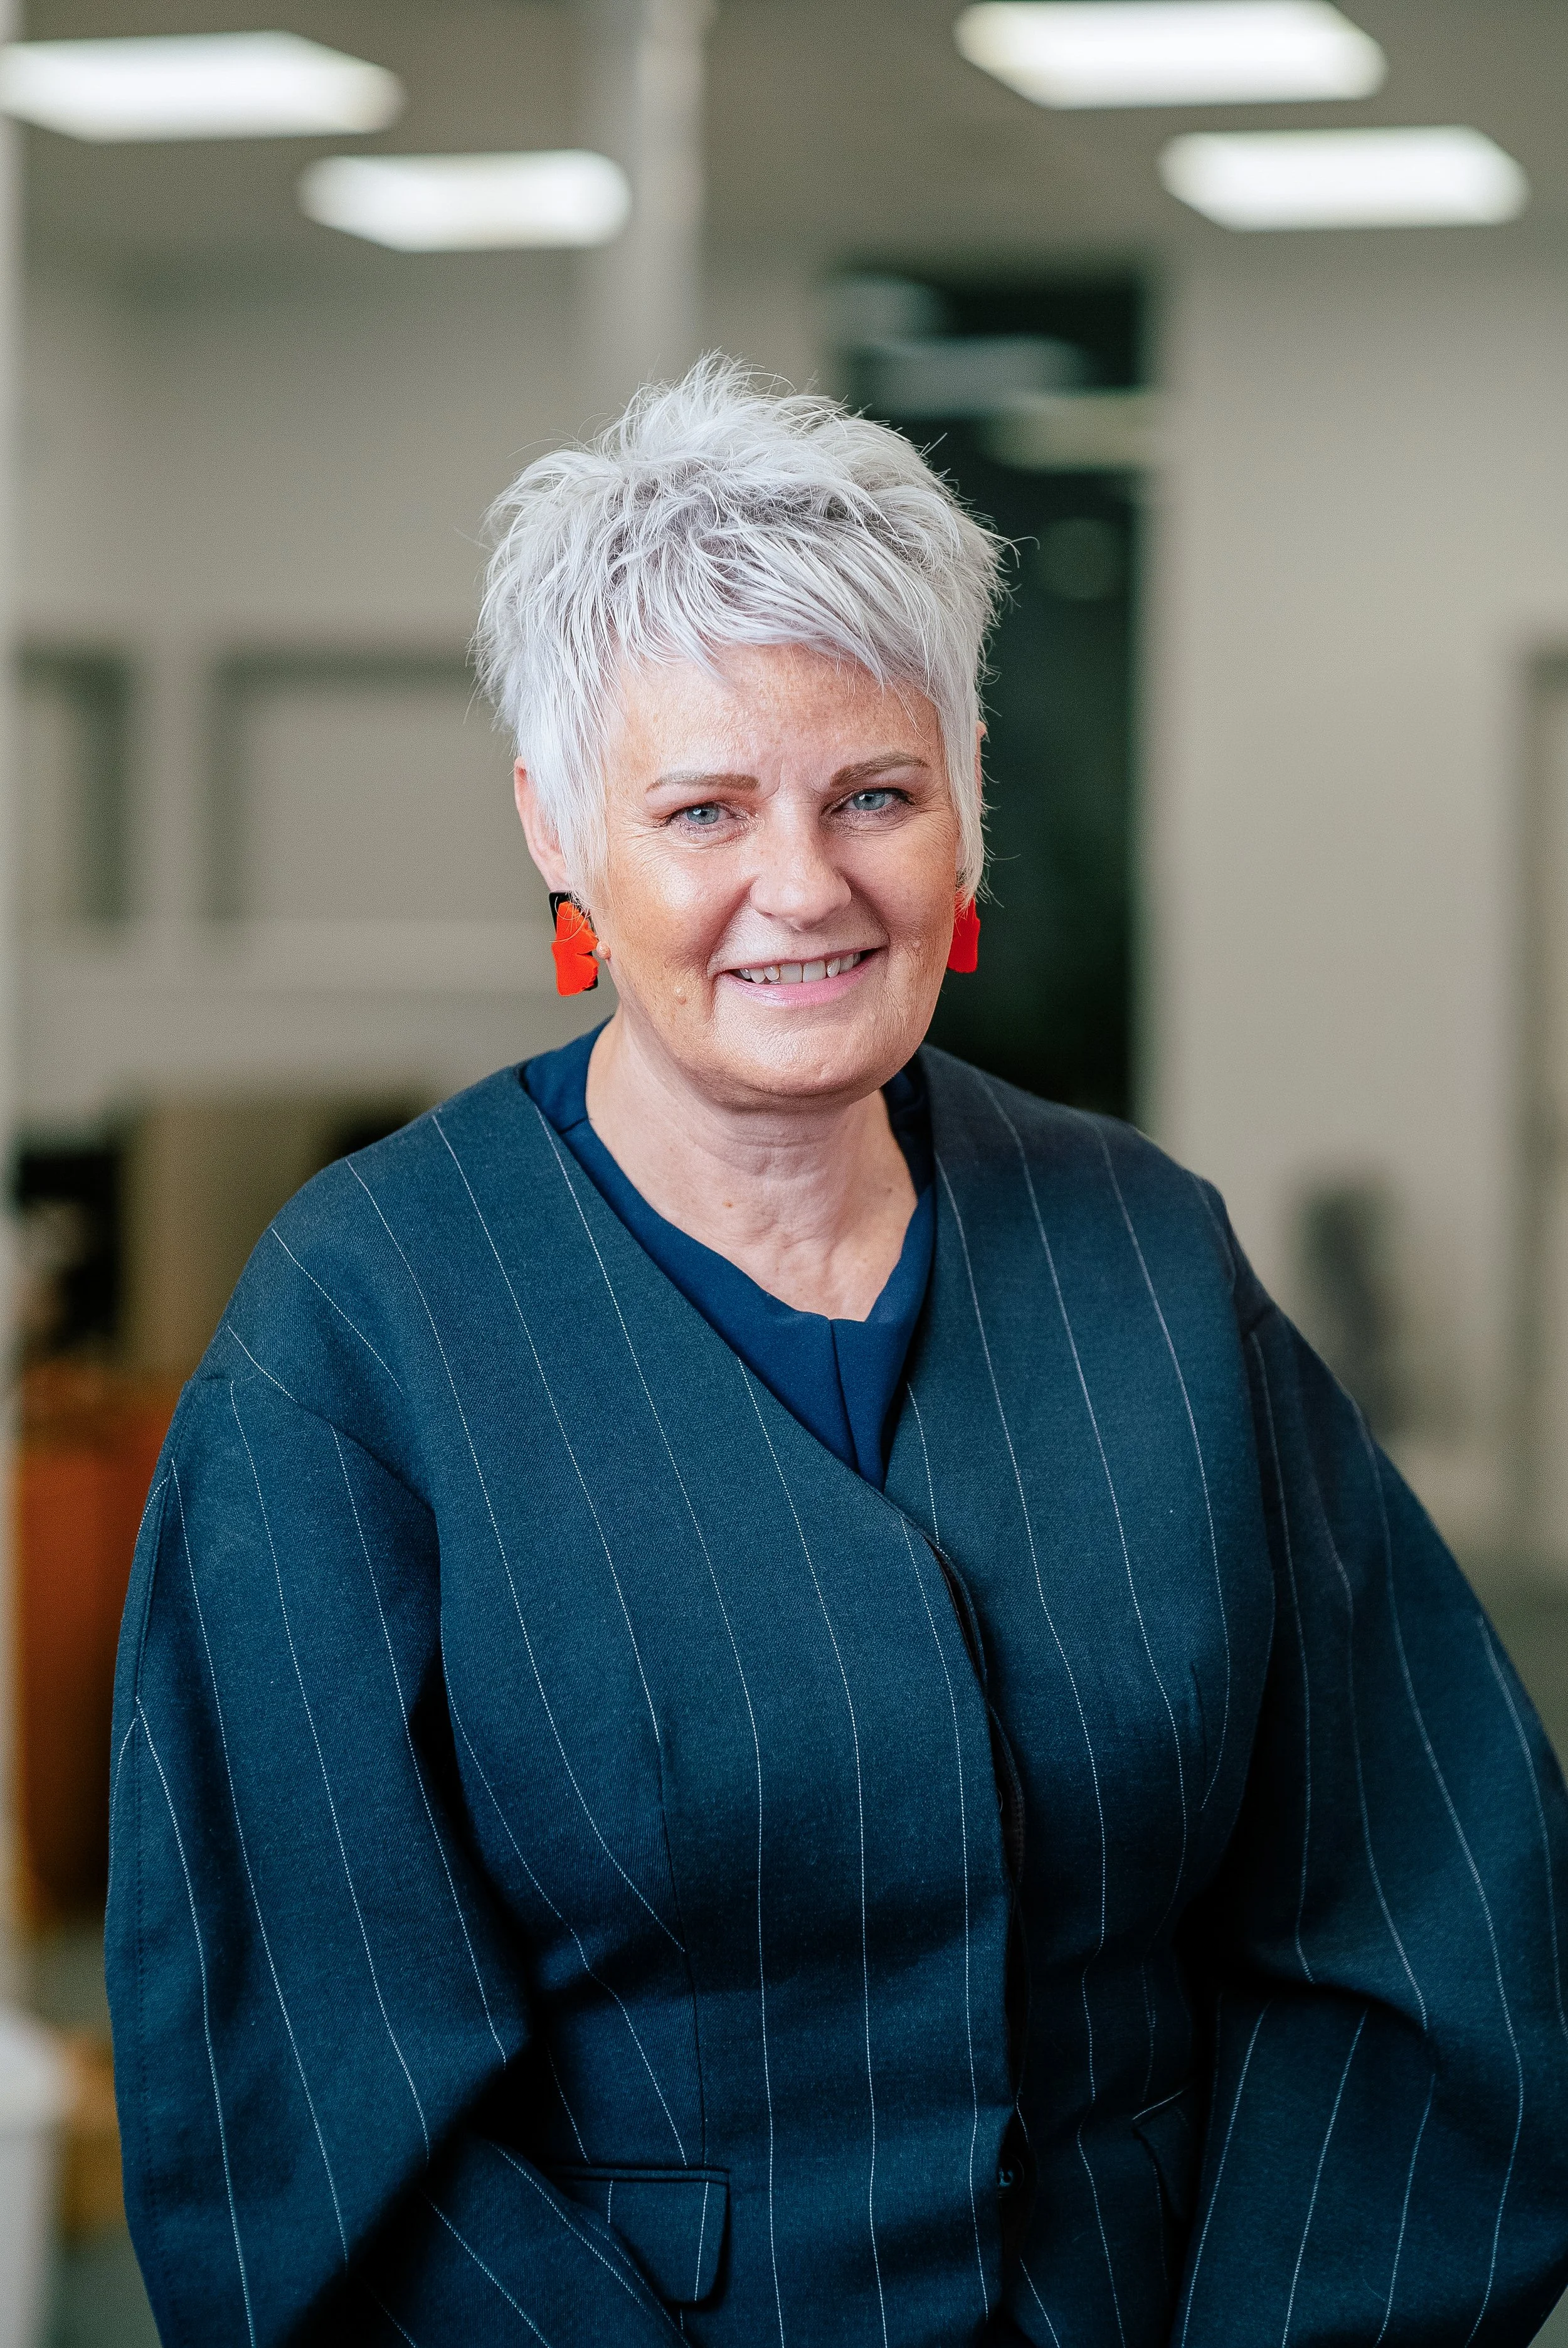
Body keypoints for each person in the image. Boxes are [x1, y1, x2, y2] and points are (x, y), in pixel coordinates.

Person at [107, 359, 1568, 2348]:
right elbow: (300, 2094)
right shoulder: (357, 1335)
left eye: (872, 792)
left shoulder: (1144, 1260)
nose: (800, 886)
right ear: (558, 826)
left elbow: (1436, 1922)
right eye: (701, 808)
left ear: (964, 792)